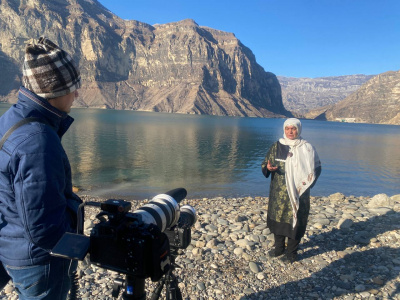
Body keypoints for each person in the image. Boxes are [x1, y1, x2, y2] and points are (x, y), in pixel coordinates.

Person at [0, 37, 82, 299]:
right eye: (73, 87)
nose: (77, 94)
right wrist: (75, 214)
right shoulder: (39, 140)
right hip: (37, 261)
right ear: (54, 92)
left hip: (8, 241)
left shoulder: (12, 118)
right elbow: (44, 228)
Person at [261, 118, 321, 263]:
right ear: (284, 129)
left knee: (296, 220)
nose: (290, 132)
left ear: (298, 129)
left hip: (299, 192)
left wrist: (305, 184)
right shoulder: (276, 146)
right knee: (278, 219)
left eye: (293, 129)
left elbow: (316, 168)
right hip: (278, 192)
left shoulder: (307, 148)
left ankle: (291, 253)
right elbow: (265, 163)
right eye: (287, 129)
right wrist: (268, 168)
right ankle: (279, 249)